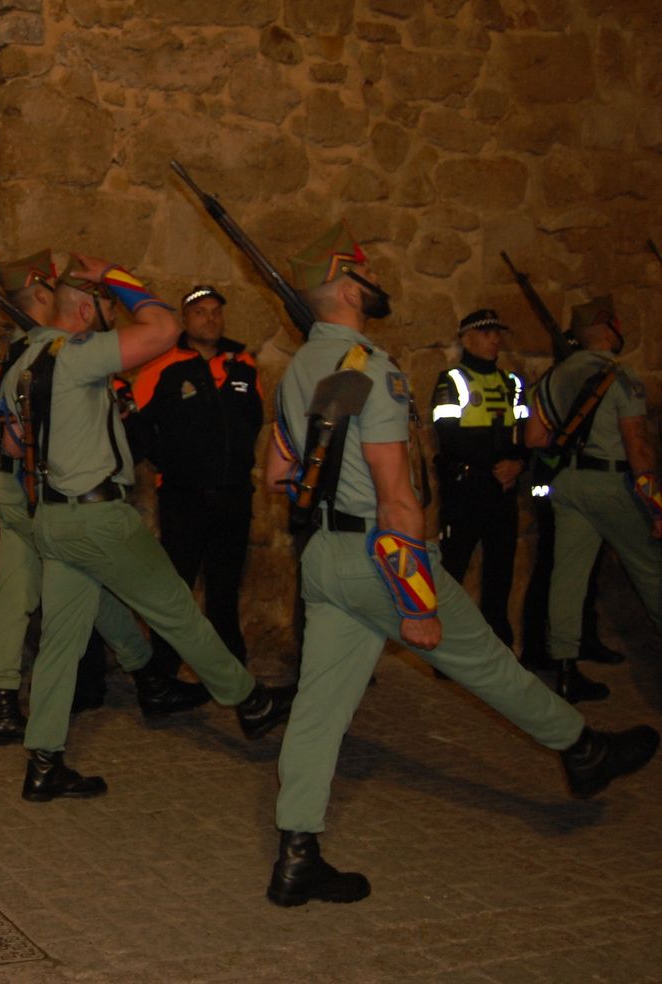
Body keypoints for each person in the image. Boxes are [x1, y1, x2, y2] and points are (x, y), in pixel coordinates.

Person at [263, 223, 656, 907]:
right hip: (381, 555)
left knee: (317, 712)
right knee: (486, 660)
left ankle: (297, 852)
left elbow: (277, 472)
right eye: (366, 273)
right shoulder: (368, 367)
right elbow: (397, 495)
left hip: (322, 557)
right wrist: (415, 602)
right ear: (351, 289)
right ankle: (583, 750)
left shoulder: (301, 367)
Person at [7, 256, 294, 801]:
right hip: (97, 517)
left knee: (61, 644)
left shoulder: (22, 357)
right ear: (88, 309)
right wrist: (116, 275)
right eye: (103, 307)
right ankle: (252, 703)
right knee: (177, 609)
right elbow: (163, 328)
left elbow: (13, 443)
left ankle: (44, 762)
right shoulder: (77, 354)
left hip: (52, 516)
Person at [0, 254, 209, 748]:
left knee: (79, 586)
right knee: (27, 590)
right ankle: (7, 703)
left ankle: (140, 678)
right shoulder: (41, 350)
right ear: (44, 294)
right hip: (28, 491)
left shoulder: (34, 348)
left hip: (31, 489)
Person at [526, 294, 662, 702]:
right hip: (613, 485)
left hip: (568, 485)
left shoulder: (554, 377)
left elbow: (534, 437)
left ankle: (566, 671)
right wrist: (656, 503)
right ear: (610, 329)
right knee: (651, 570)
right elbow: (637, 445)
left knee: (567, 575)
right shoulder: (621, 376)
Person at [130, 284, 263, 673]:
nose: (210, 318)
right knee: (177, 590)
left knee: (224, 592)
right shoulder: (160, 367)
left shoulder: (243, 364)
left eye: (216, 311)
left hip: (234, 497)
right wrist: (170, 461)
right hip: (183, 499)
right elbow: (138, 427)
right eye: (200, 311)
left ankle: (232, 674)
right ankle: (165, 674)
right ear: (185, 320)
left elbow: (252, 420)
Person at [428, 309, 528, 654]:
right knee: (453, 568)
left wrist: (517, 464)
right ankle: (446, 650)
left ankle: (497, 645)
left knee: (500, 570)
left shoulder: (512, 383)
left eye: (496, 333)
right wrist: (495, 465)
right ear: (466, 338)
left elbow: (524, 434)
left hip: (503, 490)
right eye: (486, 333)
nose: (494, 339)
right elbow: (448, 435)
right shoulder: (451, 381)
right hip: (466, 489)